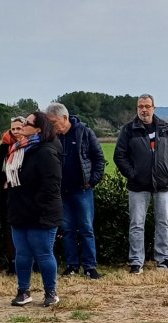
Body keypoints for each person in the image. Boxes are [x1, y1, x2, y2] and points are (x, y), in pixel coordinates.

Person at [0, 112, 64, 308]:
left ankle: (51, 292)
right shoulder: (18, 149)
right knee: (21, 254)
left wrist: (35, 205)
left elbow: (51, 185)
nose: (22, 126)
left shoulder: (47, 151)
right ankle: (23, 291)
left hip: (42, 213)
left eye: (27, 123)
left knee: (43, 253)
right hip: (19, 210)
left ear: (38, 128)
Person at [114, 94, 168, 273]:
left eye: (147, 106)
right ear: (137, 109)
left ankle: (163, 259)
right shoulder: (129, 129)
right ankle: (136, 261)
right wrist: (132, 174)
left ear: (154, 108)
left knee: (163, 223)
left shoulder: (166, 129)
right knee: (137, 224)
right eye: (140, 106)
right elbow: (119, 156)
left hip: (162, 185)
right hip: (138, 186)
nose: (144, 110)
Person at [46, 102, 106, 280]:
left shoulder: (84, 132)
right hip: (61, 192)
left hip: (82, 190)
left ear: (65, 118)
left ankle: (90, 266)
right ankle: (72, 265)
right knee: (67, 229)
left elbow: (99, 158)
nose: (52, 126)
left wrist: (91, 181)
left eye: (54, 122)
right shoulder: (51, 137)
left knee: (86, 228)